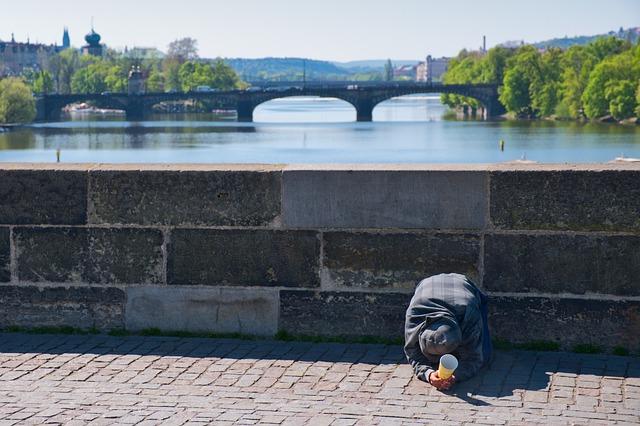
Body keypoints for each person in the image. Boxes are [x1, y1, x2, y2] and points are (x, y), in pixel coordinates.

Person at [404, 273, 492, 390]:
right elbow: (412, 353)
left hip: (462, 284)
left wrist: (455, 376)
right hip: (427, 285)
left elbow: (474, 358)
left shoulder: (468, 314)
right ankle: (451, 352)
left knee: (485, 353)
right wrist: (429, 374)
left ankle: (457, 351)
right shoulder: (414, 314)